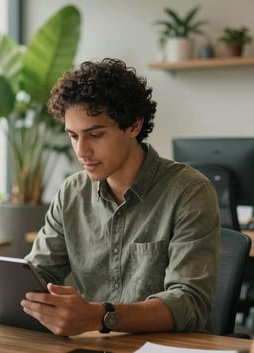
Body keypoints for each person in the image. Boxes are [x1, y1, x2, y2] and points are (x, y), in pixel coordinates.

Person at [21, 58, 220, 336]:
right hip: (95, 345)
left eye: (95, 134)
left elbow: (189, 303)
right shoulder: (71, 193)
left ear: (133, 126)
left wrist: (100, 316)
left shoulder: (189, 192)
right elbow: (38, 273)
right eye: (73, 136)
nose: (82, 151)